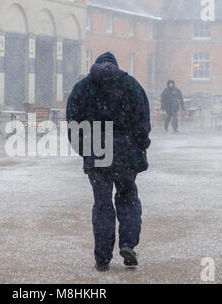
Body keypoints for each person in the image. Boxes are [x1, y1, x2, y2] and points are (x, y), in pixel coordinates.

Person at [67, 52, 151, 272]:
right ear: (116, 66)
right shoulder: (131, 84)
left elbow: (73, 125)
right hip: (126, 152)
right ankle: (128, 244)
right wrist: (141, 146)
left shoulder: (82, 87)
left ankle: (102, 259)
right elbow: (142, 120)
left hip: (97, 152)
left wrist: (85, 151)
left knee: (102, 204)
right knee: (128, 198)